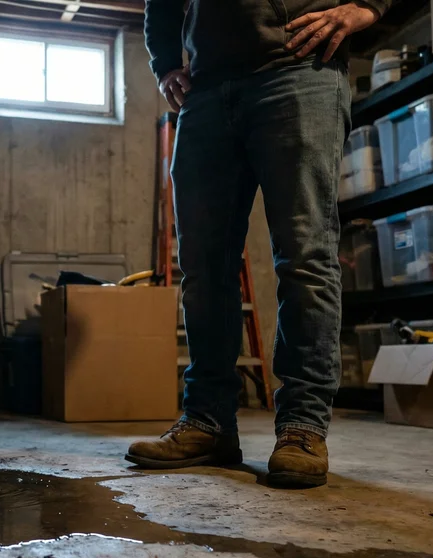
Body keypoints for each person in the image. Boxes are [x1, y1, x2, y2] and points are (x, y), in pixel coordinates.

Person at [126, 1, 389, 487]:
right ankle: (208, 421)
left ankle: (302, 427)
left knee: (305, 257)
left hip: (299, 69)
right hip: (206, 88)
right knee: (203, 269)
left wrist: (367, 8)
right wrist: (164, 64)